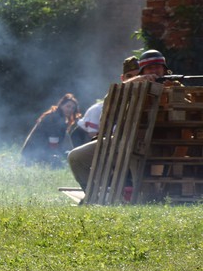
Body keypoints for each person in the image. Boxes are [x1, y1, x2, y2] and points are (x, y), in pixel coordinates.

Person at [67, 50, 176, 191]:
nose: (154, 71)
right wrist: (134, 82)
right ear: (143, 72)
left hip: (159, 144)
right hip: (123, 141)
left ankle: (142, 194)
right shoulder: (132, 87)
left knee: (138, 167)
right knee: (76, 157)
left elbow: (188, 110)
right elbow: (109, 107)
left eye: (158, 67)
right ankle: (93, 195)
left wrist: (169, 92)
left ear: (164, 70)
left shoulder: (175, 87)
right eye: (150, 68)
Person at [70, 56, 140, 147]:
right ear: (123, 78)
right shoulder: (109, 100)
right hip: (84, 136)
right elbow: (93, 135)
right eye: (129, 76)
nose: (134, 80)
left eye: (137, 76)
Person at [21, 93, 81, 167]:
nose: (70, 110)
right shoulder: (54, 118)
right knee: (60, 164)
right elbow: (53, 142)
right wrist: (58, 156)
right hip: (34, 152)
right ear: (61, 105)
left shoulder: (61, 118)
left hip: (42, 151)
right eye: (68, 106)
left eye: (73, 108)